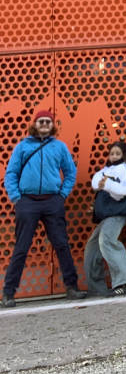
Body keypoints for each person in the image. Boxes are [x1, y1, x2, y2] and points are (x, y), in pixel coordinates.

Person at [2, 110, 86, 308]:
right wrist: (16, 198)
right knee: (21, 247)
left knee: (61, 244)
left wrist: (62, 195)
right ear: (35, 124)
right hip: (27, 201)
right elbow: (11, 173)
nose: (45, 124)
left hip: (52, 201)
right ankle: (8, 293)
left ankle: (71, 287)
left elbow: (70, 172)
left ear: (52, 125)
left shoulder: (59, 147)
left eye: (48, 122)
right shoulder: (22, 147)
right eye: (41, 121)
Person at [84, 141, 126, 297]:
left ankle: (122, 283)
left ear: (123, 155)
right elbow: (95, 182)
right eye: (112, 153)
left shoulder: (125, 169)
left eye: (117, 153)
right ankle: (96, 287)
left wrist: (107, 185)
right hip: (105, 216)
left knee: (107, 241)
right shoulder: (105, 170)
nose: (114, 156)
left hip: (117, 214)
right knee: (93, 246)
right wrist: (101, 184)